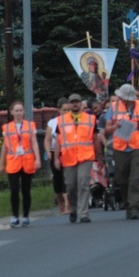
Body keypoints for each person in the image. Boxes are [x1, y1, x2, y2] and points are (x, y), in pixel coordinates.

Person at [102, 83, 139, 220]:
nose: (122, 99)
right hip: (119, 146)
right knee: (121, 178)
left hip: (137, 146)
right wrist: (115, 126)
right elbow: (107, 129)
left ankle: (134, 207)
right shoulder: (114, 107)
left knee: (135, 178)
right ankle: (127, 202)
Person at [54, 93, 102, 223]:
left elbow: (95, 138)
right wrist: (56, 158)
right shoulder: (62, 120)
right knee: (70, 186)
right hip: (68, 158)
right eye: (72, 102)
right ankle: (73, 208)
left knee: (83, 183)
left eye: (77, 102)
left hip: (86, 156)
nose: (75, 104)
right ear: (69, 104)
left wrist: (100, 156)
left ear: (81, 103)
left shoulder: (90, 119)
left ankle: (83, 213)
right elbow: (58, 141)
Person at [0, 101, 42, 227]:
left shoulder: (30, 126)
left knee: (26, 190)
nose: (19, 113)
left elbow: (34, 143)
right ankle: (15, 216)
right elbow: (5, 147)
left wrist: (37, 159)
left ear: (24, 112)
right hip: (13, 161)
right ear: (12, 112)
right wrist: (1, 164)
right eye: (16, 111)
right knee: (14, 190)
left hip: (27, 161)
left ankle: (26, 216)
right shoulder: (7, 128)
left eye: (20, 110)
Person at [44, 97, 70, 214]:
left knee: (67, 178)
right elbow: (47, 139)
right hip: (55, 152)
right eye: (64, 110)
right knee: (57, 179)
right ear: (59, 110)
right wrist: (48, 151)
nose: (66, 113)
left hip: (68, 151)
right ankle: (60, 203)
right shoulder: (53, 123)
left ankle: (68, 205)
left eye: (68, 110)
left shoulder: (73, 122)